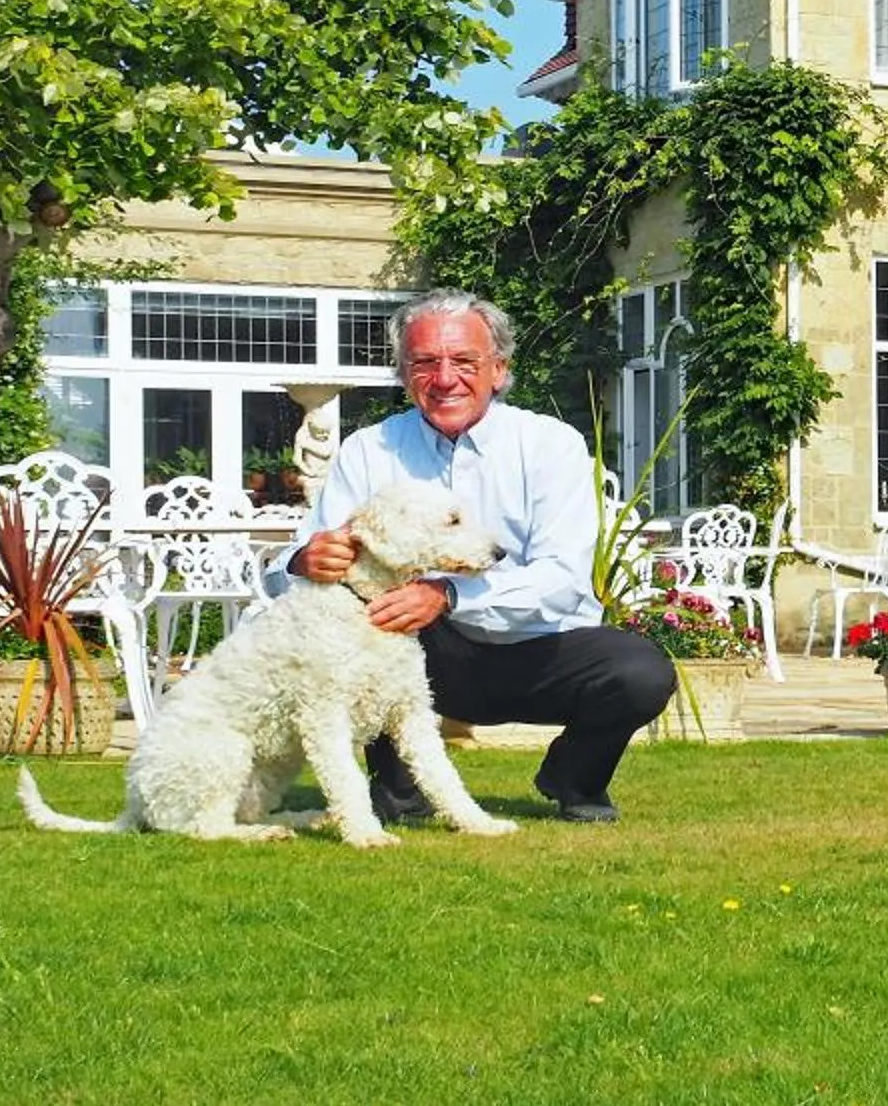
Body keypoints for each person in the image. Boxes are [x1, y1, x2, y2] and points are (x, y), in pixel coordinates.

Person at [285, 289, 674, 824]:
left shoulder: (551, 445)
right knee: (369, 616)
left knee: (641, 672)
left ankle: (576, 779)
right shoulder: (368, 450)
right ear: (403, 374)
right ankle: (399, 793)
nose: (444, 379)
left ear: (499, 369)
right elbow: (298, 562)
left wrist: (448, 594)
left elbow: (563, 578)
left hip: (543, 650)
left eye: (464, 361)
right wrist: (306, 560)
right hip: (425, 650)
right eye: (424, 362)